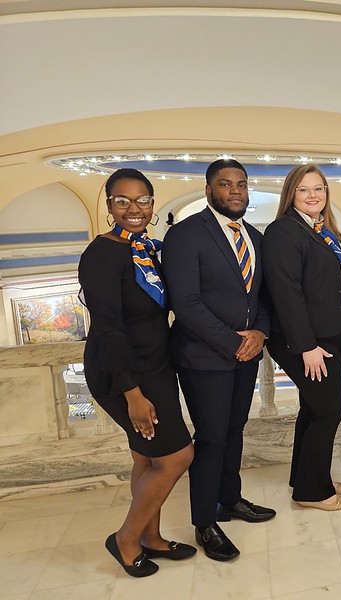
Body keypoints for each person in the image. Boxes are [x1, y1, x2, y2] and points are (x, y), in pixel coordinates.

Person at [79, 168, 194, 578]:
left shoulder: (148, 249)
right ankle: (126, 539)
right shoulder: (101, 254)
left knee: (148, 458)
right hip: (121, 371)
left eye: (142, 200)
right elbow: (108, 328)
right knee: (178, 455)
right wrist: (132, 394)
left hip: (156, 364)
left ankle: (152, 538)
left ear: (152, 202)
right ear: (108, 204)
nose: (133, 209)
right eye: (122, 201)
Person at [161, 159, 275, 562]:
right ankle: (204, 521)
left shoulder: (256, 237)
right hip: (203, 357)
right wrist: (233, 343)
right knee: (210, 438)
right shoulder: (185, 235)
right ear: (209, 190)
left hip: (245, 355)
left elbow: (262, 297)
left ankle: (230, 499)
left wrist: (260, 333)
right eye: (226, 185)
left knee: (235, 429)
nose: (236, 191)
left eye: (242, 184)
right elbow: (186, 304)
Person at [262, 164, 341, 511]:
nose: (313, 195)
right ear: (291, 194)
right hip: (307, 340)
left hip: (332, 332)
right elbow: (287, 294)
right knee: (330, 410)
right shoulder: (284, 231)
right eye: (304, 189)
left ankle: (306, 477)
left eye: (319, 188)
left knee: (313, 408)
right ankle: (312, 492)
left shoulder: (322, 230)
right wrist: (307, 347)